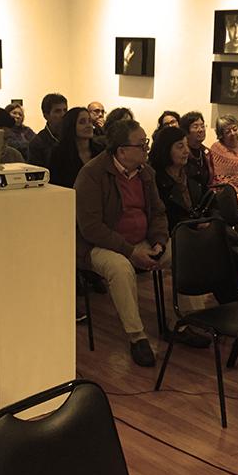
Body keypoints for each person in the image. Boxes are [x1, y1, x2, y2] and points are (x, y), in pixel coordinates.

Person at [74, 119, 208, 367]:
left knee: (185, 250)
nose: (147, 148)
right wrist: (130, 251)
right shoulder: (92, 174)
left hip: (143, 241)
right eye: (142, 143)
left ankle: (186, 321)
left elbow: (158, 213)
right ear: (122, 151)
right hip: (101, 246)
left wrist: (158, 241)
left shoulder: (146, 172)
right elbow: (91, 228)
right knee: (120, 268)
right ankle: (137, 337)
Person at [149, 125, 206, 232]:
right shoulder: (156, 178)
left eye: (187, 145)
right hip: (176, 232)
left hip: (200, 227)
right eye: (180, 146)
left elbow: (208, 201)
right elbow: (165, 216)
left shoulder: (193, 172)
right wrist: (195, 225)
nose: (186, 151)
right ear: (166, 149)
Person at [47, 107, 103, 189]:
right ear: (71, 126)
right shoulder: (59, 154)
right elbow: (55, 184)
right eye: (82, 122)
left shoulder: (100, 150)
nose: (89, 126)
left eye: (90, 121)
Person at [28, 93, 67, 167]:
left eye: (65, 110)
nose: (63, 114)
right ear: (46, 116)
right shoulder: (37, 143)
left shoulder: (72, 136)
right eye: (57, 111)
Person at [180, 111, 214, 188]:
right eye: (195, 127)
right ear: (186, 131)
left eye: (202, 126)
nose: (201, 130)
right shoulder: (182, 153)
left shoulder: (207, 153)